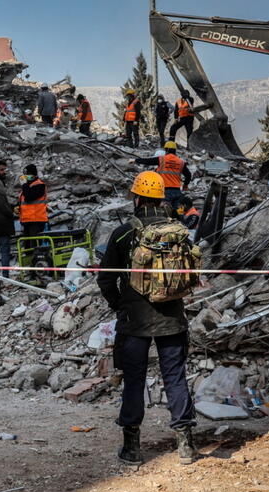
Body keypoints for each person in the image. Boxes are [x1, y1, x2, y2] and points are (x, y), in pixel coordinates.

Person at [96, 171, 197, 467]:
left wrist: (120, 305)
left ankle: (132, 447)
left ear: (138, 198)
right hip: (172, 318)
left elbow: (105, 280)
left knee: (134, 381)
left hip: (134, 321)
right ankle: (186, 445)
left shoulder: (124, 233)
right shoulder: (178, 231)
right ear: (162, 198)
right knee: (175, 377)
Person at [130, 140, 191, 207]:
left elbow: (148, 161)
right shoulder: (181, 162)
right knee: (177, 211)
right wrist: (185, 185)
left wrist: (135, 160)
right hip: (177, 191)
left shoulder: (162, 159)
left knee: (165, 211)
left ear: (166, 150)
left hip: (165, 191)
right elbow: (188, 175)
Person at [18, 164, 48, 238]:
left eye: (27, 174)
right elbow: (24, 201)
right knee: (27, 246)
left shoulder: (39, 185)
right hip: (27, 220)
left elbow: (29, 197)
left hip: (36, 220)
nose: (25, 176)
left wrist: (24, 184)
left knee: (34, 245)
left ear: (32, 174)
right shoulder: (28, 186)